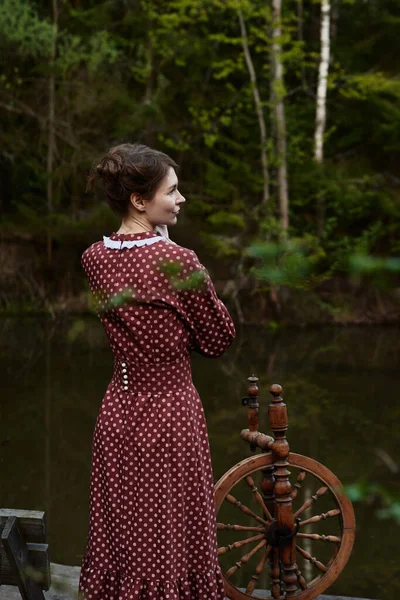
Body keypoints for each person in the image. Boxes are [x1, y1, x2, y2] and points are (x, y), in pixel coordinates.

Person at [78, 143, 236, 600]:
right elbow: (217, 339)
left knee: (127, 525)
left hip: (117, 409)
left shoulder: (94, 257)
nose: (181, 198)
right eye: (173, 190)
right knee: (168, 525)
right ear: (140, 200)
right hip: (168, 413)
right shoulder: (179, 262)